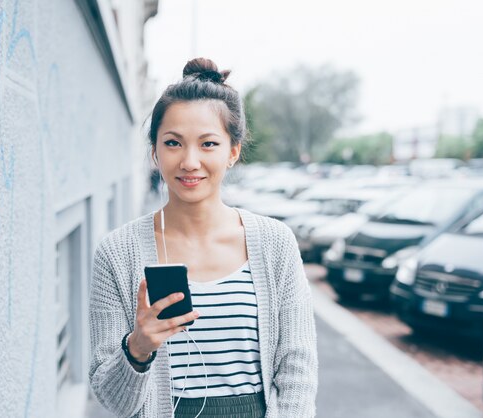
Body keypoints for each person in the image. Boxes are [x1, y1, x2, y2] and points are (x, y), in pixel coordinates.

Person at [89, 58, 318, 418]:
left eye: (208, 143)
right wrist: (138, 349)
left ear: (233, 151)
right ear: (155, 152)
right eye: (173, 143)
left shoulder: (276, 243)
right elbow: (113, 399)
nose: (190, 161)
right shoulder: (117, 253)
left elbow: (297, 370)